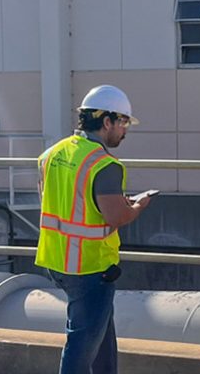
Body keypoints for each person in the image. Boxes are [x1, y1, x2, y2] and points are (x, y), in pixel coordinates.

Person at [36, 85, 151, 374]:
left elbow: (63, 200)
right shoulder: (105, 165)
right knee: (82, 344)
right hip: (89, 266)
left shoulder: (52, 153)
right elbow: (116, 217)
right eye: (123, 122)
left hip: (56, 260)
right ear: (107, 121)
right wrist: (138, 206)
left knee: (100, 335)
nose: (125, 131)